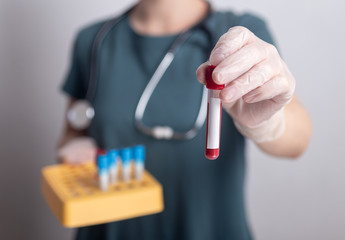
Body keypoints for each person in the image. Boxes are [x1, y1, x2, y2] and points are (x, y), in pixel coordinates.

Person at [58, 0, 312, 239]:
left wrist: (267, 123)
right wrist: (73, 152)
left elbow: (298, 140)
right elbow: (74, 130)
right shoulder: (94, 40)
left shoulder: (241, 35)